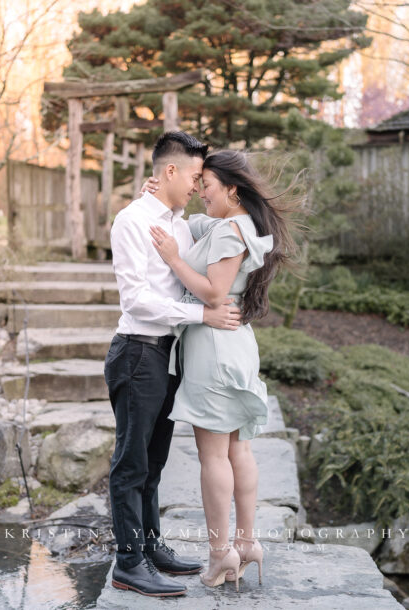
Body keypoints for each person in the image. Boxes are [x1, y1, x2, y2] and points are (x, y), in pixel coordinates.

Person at [146, 149, 295, 591]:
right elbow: (194, 224)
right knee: (238, 451)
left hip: (214, 347)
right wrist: (162, 199)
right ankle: (246, 544)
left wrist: (174, 258)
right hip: (234, 346)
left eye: (206, 186)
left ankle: (219, 554)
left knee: (214, 455)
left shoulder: (231, 231)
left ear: (232, 189)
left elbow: (214, 293)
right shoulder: (237, 224)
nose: (200, 193)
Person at [104, 132, 243, 598]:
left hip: (166, 355)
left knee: (155, 462)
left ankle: (151, 548)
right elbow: (138, 301)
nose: (197, 185)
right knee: (131, 462)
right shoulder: (131, 221)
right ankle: (128, 562)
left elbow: (230, 222)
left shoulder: (179, 223)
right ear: (169, 172)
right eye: (194, 176)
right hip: (138, 351)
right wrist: (202, 314)